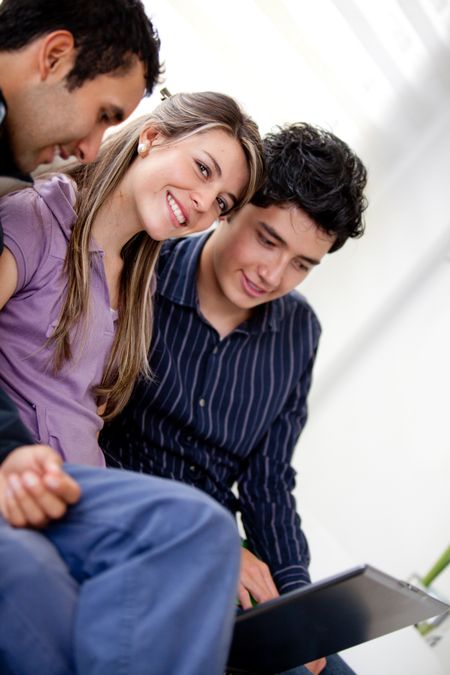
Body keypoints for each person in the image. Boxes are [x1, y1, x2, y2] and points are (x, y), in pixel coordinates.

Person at [0, 4, 264, 669]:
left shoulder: (138, 282)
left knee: (206, 552)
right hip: (36, 483)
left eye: (223, 204)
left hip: (83, 494)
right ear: (152, 139)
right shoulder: (38, 217)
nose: (205, 205)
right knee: (197, 532)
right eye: (204, 170)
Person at [100, 122, 368, 675]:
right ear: (231, 205)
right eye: (268, 240)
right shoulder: (142, 267)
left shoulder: (299, 332)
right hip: (136, 521)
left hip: (229, 549)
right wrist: (211, 545)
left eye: (302, 265)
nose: (273, 274)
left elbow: (269, 481)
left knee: (325, 668)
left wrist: (299, 601)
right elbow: (84, 427)